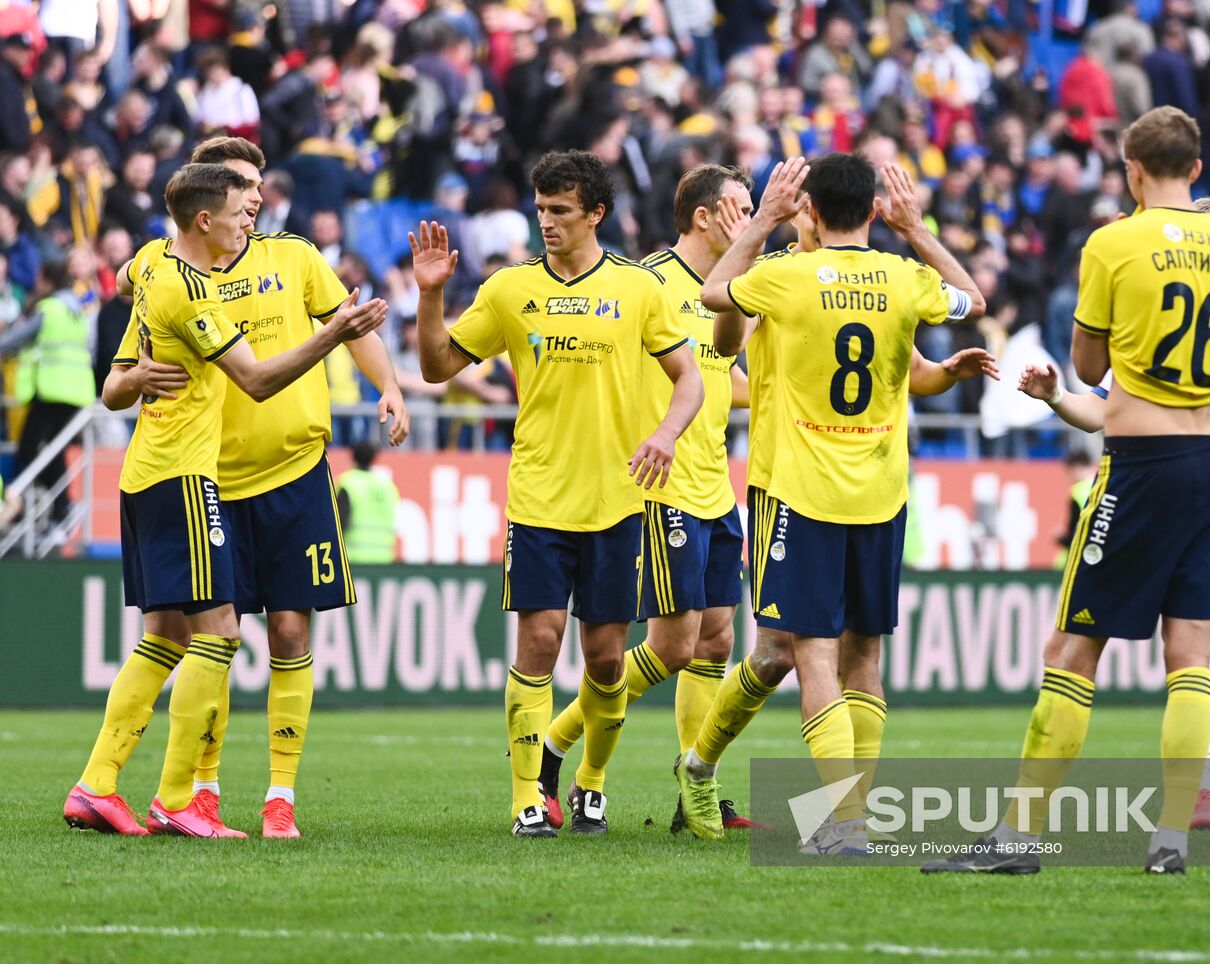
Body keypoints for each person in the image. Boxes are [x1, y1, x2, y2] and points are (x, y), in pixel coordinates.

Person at [923, 106, 1210, 876]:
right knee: (1191, 653)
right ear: (1199, 170)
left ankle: (1017, 838)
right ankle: (1170, 841)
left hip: (1142, 464)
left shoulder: (1114, 241)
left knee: (1074, 647)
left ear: (1132, 170)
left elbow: (1087, 368)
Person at [671, 165, 996, 842]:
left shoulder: (779, 277)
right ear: (876, 210)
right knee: (801, 654)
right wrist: (915, 231)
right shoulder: (899, 278)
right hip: (871, 489)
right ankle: (706, 769)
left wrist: (757, 225)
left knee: (810, 653)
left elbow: (711, 297)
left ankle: (831, 814)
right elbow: (973, 300)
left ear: (807, 208)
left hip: (799, 488)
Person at [94, 137, 406, 839]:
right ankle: (193, 791)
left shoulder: (292, 256)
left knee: (288, 631)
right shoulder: (165, 267)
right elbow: (118, 367)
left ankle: (279, 797)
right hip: (205, 481)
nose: (255, 198)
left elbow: (346, 324)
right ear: (205, 202)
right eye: (241, 187)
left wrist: (388, 386)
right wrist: (134, 377)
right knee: (199, 637)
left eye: (259, 185)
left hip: (292, 473)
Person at [413, 150, 703, 838]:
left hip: (618, 500)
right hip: (539, 497)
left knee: (606, 659)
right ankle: (524, 800)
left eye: (560, 211)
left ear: (595, 213)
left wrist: (665, 433)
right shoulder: (510, 289)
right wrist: (430, 296)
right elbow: (436, 367)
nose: (546, 222)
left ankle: (591, 785)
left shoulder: (637, 289)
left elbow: (687, 377)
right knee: (538, 642)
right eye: (540, 209)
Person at [1016, 196, 1210, 833]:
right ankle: (1179, 815)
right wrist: (1056, 401)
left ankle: (1203, 797)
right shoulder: (1163, 320)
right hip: (1199, 492)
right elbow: (1103, 402)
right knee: (1187, 651)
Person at [535, 164, 756, 832]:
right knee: (673, 647)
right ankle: (557, 752)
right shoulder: (646, 283)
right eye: (742, 209)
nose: (750, 222)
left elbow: (723, 374)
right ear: (705, 215)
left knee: (717, 644)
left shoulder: (727, 293)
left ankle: (698, 790)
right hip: (662, 486)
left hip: (717, 486)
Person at [0, 259, 94, 527]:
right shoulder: (78, 310)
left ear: (48, 281)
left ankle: (61, 507)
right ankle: (61, 511)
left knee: (28, 453)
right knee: (54, 451)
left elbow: (18, 338)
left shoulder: (51, 309)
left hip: (52, 390)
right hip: (77, 392)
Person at [337, 440, 400, 564]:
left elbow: (339, 524)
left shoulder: (348, 483)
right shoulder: (387, 486)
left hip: (355, 560)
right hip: (384, 560)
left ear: (352, 456)